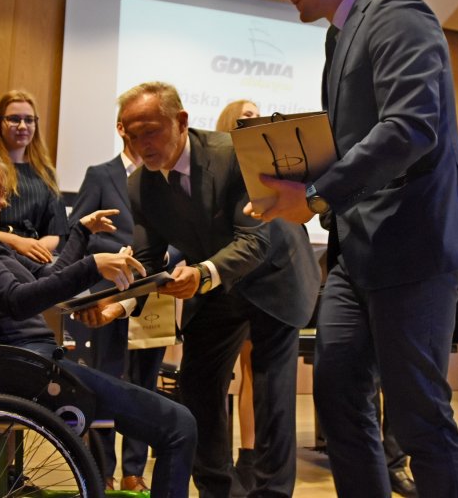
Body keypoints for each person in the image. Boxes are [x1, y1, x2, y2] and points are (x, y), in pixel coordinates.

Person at [246, 0, 458, 498]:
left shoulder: (399, 13)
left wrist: (313, 194)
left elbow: (410, 128)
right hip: (357, 252)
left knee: (418, 417)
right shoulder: (338, 37)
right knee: (336, 402)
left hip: (415, 244)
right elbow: (353, 139)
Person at [0, 136, 196, 497]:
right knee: (179, 425)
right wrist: (93, 265)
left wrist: (81, 234)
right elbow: (17, 300)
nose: (4, 201)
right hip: (23, 363)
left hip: (29, 360)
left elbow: (46, 279)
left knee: (177, 423)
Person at [119, 81, 320, 498]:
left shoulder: (232, 154)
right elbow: (150, 260)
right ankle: (219, 491)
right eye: (132, 134)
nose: (142, 144)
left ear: (181, 121)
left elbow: (254, 241)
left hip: (274, 275)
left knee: (271, 392)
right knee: (196, 385)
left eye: (152, 130)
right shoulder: (141, 184)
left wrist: (202, 274)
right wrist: (118, 307)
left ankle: (271, 493)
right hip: (215, 284)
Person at [68, 117, 167, 492]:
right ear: (122, 129)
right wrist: (119, 257)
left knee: (144, 382)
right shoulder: (100, 175)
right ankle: (101, 470)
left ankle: (133, 471)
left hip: (153, 293)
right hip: (105, 291)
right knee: (104, 382)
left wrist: (160, 259)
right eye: (137, 129)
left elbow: (179, 237)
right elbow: (78, 234)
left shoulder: (166, 175)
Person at [214, 99, 261, 491]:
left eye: (257, 115)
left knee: (251, 372)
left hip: (261, 282)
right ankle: (221, 460)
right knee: (216, 377)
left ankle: (248, 458)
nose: (254, 121)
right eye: (245, 117)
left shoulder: (265, 165)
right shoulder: (219, 168)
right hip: (221, 280)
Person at [0, 89, 70, 264]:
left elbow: (56, 233)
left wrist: (35, 249)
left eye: (29, 120)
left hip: (38, 256)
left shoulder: (46, 173)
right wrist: (18, 243)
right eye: (15, 119)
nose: (23, 126)